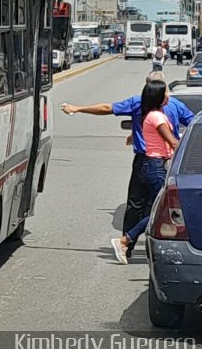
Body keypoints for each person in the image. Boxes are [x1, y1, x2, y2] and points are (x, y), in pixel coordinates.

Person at [60, 71, 194, 258]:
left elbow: (108, 108)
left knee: (136, 205)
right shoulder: (171, 108)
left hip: (143, 160)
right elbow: (190, 127)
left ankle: (127, 245)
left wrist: (77, 108)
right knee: (161, 209)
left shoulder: (140, 105)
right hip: (161, 163)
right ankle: (132, 242)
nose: (167, 97)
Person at [111, 80, 179, 264]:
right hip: (156, 165)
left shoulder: (151, 115)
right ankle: (125, 240)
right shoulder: (156, 117)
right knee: (160, 211)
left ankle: (129, 241)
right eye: (165, 93)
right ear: (158, 96)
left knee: (155, 209)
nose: (168, 96)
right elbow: (173, 142)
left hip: (152, 164)